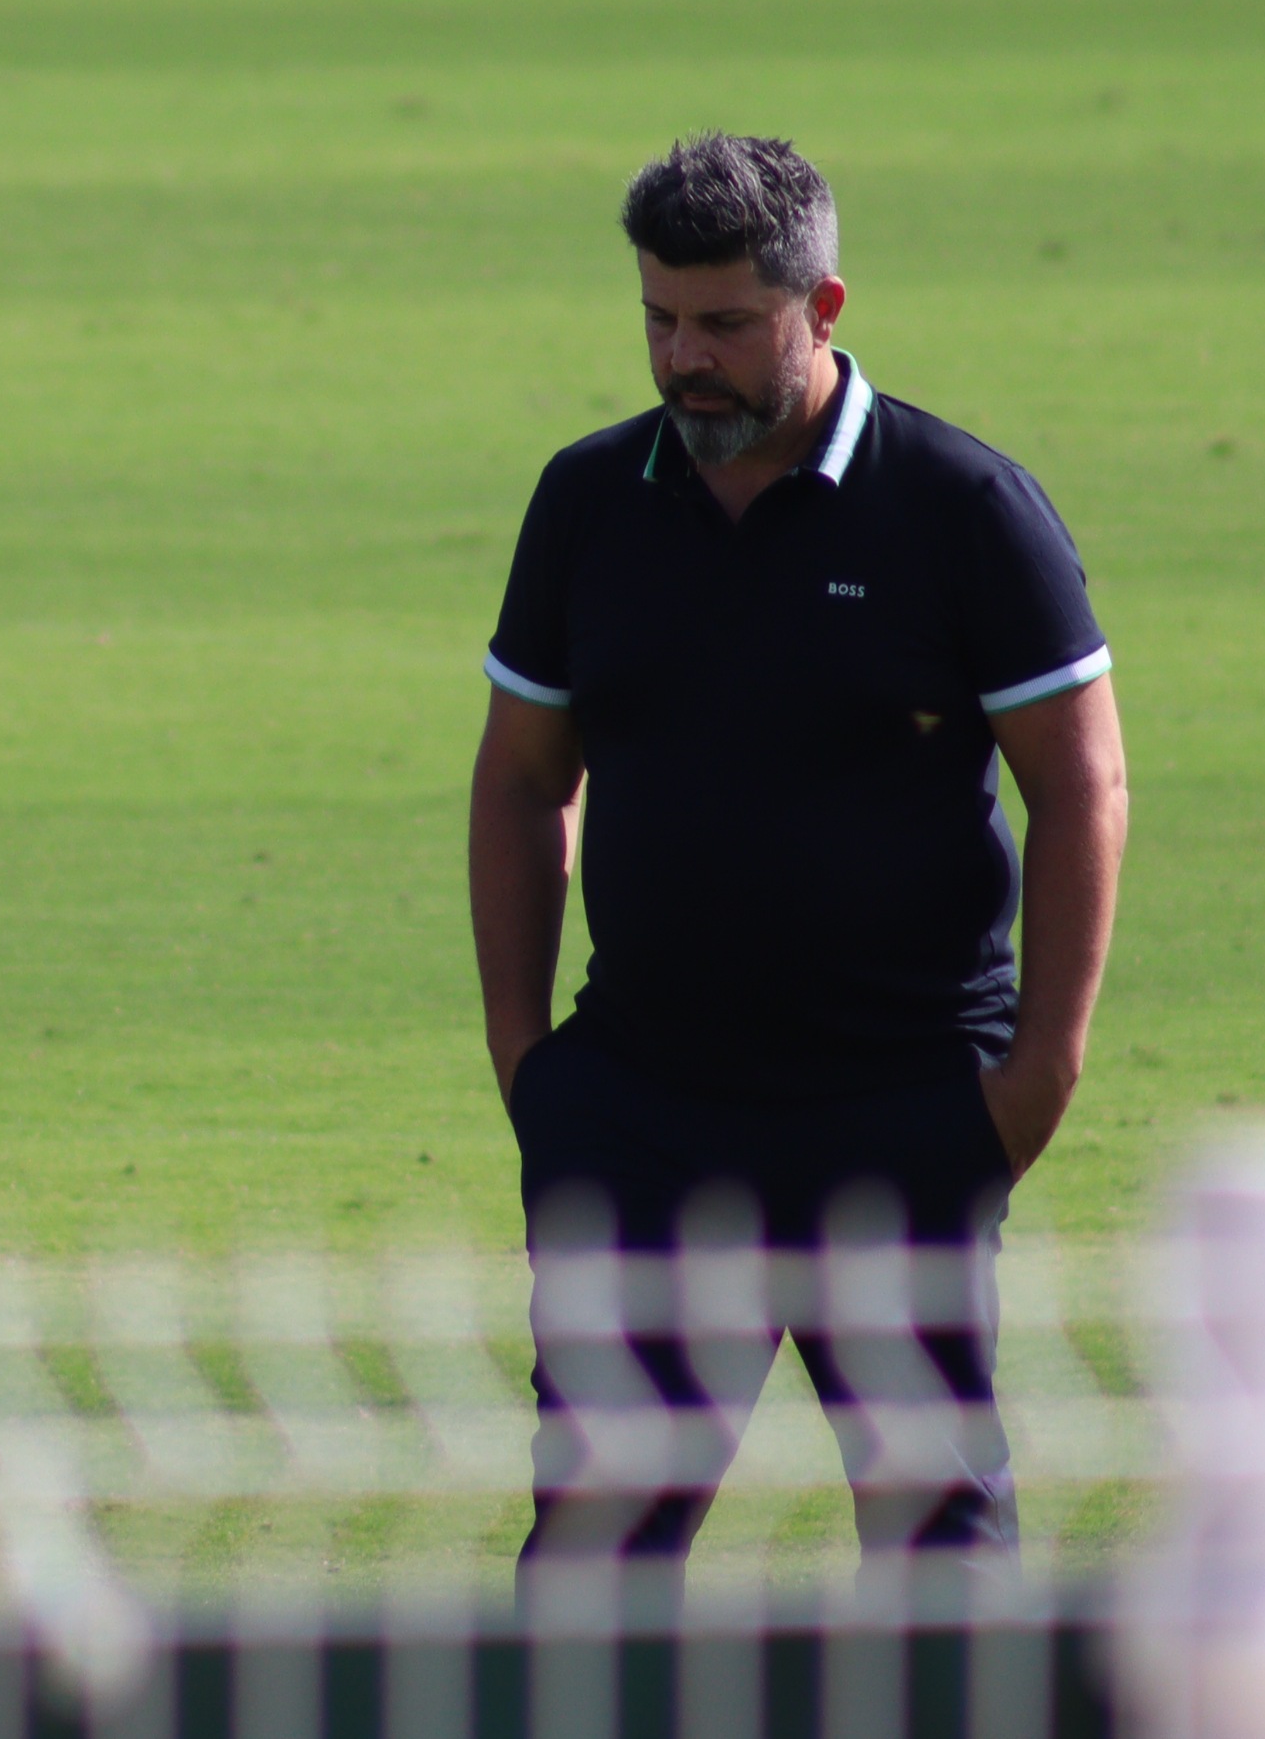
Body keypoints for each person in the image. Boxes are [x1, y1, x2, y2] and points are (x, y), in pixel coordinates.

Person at [468, 133, 1127, 1599]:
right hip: (640, 1110)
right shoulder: (587, 501)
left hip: (894, 1107)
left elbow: (1082, 791)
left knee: (934, 1540)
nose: (681, 357)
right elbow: (522, 779)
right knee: (594, 1546)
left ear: (821, 307)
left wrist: (1038, 1072)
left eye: (721, 323)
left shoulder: (961, 507)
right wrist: (533, 1068)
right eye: (656, 318)